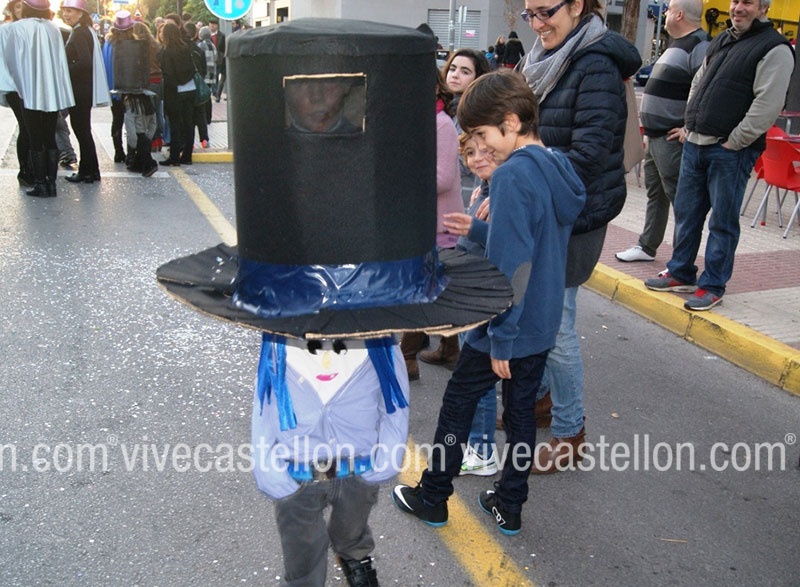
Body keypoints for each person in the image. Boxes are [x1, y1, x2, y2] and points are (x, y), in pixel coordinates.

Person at [156, 19, 513, 584]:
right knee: (300, 539)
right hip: (296, 463)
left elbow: (393, 401)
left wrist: (387, 455)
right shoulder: (281, 344)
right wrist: (270, 466)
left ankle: (356, 554)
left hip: (358, 459)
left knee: (352, 518)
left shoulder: (379, 343)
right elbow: (265, 406)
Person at [392, 70, 586, 536]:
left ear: (512, 123)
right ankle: (509, 503)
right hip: (540, 320)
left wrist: (500, 337)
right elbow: (535, 240)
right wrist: (480, 229)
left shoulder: (512, 175)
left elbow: (510, 266)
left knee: (459, 400)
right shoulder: (556, 164)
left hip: (506, 322)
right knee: (520, 413)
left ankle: (433, 495)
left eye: (482, 134)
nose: (480, 146)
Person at [517, 0, 641, 474]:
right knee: (535, 310)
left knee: (557, 323)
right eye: (530, 14)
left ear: (576, 5)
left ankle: (570, 433)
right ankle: (542, 400)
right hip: (545, 206)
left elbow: (588, 155)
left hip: (577, 212)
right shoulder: (543, 57)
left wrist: (523, 168)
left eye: (545, 11)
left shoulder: (595, 64)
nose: (537, 23)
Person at [644, 0, 793, 311]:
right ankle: (681, 272)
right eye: (735, 1)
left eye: (747, 2)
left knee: (722, 223)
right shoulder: (723, 39)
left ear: (763, 9)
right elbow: (699, 82)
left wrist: (735, 141)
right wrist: (690, 124)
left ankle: (712, 286)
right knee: (687, 213)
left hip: (729, 151)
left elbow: (768, 104)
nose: (738, 8)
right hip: (696, 144)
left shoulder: (775, 48)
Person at [616, 0, 710, 263]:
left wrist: (689, 128)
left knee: (682, 201)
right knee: (656, 195)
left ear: (679, 14)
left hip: (672, 139)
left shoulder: (700, 46)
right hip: (656, 136)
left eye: (668, 10)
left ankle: (682, 262)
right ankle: (647, 246)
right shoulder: (678, 44)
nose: (665, 14)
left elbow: (707, 91)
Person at [442, 132, 500, 476]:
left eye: (485, 151)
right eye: (469, 153)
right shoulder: (486, 189)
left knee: (477, 378)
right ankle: (478, 445)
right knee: (474, 372)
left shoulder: (501, 195)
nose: (477, 159)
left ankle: (482, 449)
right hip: (473, 289)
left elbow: (501, 245)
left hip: (483, 294)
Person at [400, 67, 463, 380]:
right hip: (422, 222)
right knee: (437, 292)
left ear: (436, 89)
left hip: (438, 224)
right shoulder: (418, 123)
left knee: (421, 292)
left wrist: (400, 173)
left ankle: (407, 357)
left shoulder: (441, 125)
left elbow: (442, 179)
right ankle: (450, 349)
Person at [1, 0, 75, 197]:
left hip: (28, 90)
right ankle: (51, 184)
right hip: (50, 90)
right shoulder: (53, 28)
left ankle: (40, 183)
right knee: (49, 136)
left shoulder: (16, 28)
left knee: (34, 135)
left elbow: (9, 61)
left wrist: (16, 85)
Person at [60, 0, 108, 184]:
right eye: (64, 11)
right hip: (83, 89)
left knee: (82, 131)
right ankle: (91, 171)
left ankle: (87, 172)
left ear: (80, 13)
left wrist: (65, 68)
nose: (66, 14)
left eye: (70, 11)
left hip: (79, 90)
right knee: (84, 131)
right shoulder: (84, 30)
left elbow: (85, 62)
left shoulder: (80, 32)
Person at [158, 20, 197, 166]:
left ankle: (174, 157)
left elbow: (168, 74)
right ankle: (187, 155)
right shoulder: (185, 48)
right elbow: (192, 68)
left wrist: (175, 83)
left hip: (175, 92)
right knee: (188, 123)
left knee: (175, 124)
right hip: (189, 88)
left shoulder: (167, 51)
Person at [284, 76, 360, 133]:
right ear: (286, 89)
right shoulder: (277, 147)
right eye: (301, 81)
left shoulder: (364, 143)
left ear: (346, 84)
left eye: (328, 79)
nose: (317, 97)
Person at [196, 25, 216, 148]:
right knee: (208, 97)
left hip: (204, 76)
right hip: (212, 74)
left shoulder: (201, 45)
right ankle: (209, 117)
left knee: (203, 100)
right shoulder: (212, 45)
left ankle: (207, 118)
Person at [208, 19, 225, 102]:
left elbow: (223, 48)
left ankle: (216, 94)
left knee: (217, 76)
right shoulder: (207, 35)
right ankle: (214, 93)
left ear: (217, 25)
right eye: (210, 24)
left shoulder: (221, 35)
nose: (212, 26)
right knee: (211, 76)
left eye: (214, 24)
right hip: (209, 59)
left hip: (218, 59)